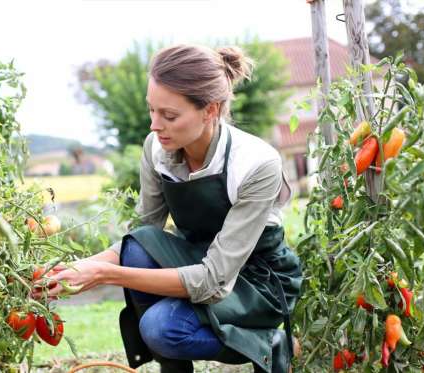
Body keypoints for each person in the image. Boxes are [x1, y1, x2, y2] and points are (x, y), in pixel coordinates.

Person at [45, 44, 303, 373]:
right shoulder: (158, 148)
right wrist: (72, 269)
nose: (154, 125)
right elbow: (143, 236)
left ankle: (267, 343)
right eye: (152, 111)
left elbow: (214, 280)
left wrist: (105, 275)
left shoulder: (255, 163)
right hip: (197, 257)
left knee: (160, 328)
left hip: (256, 281)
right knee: (137, 247)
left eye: (169, 116)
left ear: (210, 110)